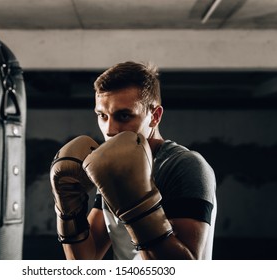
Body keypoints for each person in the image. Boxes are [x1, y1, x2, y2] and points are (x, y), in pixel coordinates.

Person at [50, 61, 217, 260]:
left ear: (155, 116)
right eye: (102, 116)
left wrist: (138, 209)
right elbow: (86, 261)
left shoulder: (185, 166)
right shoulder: (112, 167)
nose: (110, 129)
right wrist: (68, 209)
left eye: (124, 115)